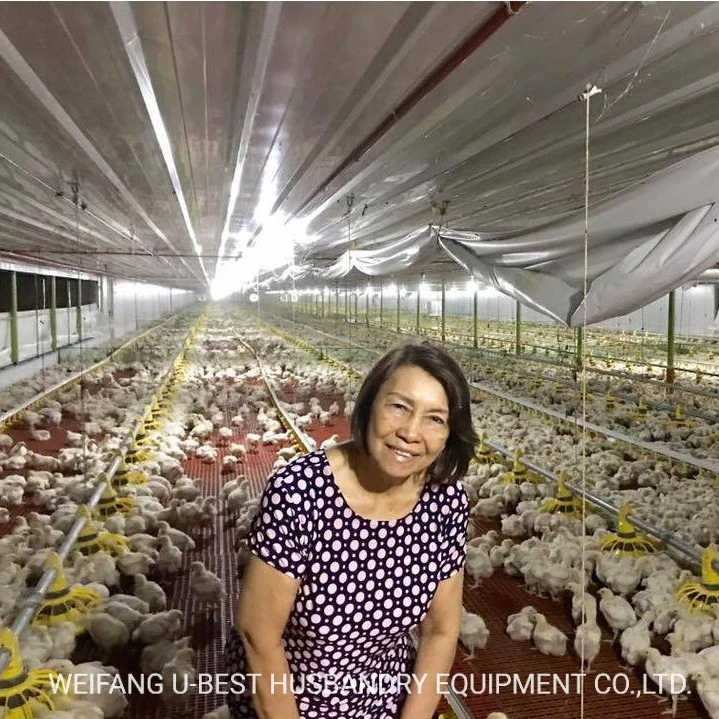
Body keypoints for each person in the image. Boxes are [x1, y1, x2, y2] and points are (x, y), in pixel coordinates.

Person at [224, 340, 478, 718]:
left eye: (435, 418)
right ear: (369, 404)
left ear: (449, 434)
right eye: (399, 406)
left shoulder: (446, 502)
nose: (411, 431)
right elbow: (258, 635)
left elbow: (441, 630)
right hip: (287, 702)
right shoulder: (299, 491)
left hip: (381, 700)